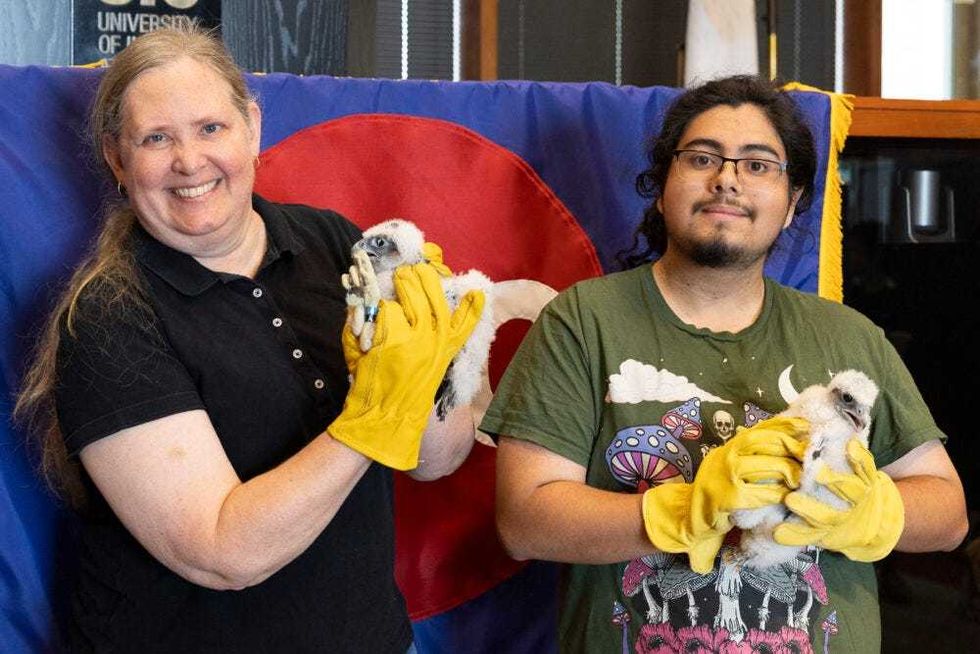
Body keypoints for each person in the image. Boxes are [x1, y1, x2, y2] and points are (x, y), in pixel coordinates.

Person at [15, 25, 483, 653]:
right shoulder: (107, 319)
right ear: (117, 160)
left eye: (211, 128)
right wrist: (371, 417)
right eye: (157, 138)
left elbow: (435, 461)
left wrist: (433, 380)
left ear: (253, 128)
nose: (189, 161)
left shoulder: (338, 245)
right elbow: (219, 552)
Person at [481, 75, 968, 652]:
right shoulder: (583, 321)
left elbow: (949, 512)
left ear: (793, 205)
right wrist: (687, 510)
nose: (728, 179)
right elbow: (524, 520)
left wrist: (865, 512)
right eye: (703, 157)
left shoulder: (848, 335)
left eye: (759, 165)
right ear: (662, 188)